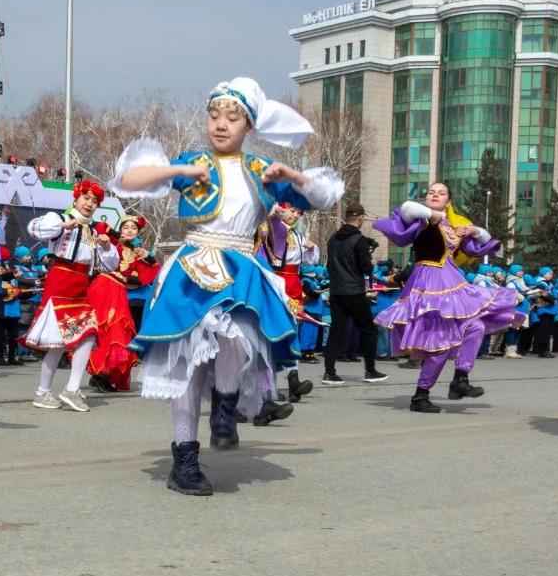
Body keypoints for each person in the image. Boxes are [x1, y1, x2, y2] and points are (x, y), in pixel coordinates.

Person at [110, 77, 342, 496]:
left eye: (232, 118)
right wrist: (179, 169)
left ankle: (225, 404)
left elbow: (325, 196)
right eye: (214, 115)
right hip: (193, 265)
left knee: (236, 339)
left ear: (248, 127)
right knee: (189, 369)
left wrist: (291, 173)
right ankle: (185, 459)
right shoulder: (194, 162)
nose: (220, 124)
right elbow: (128, 179)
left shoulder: (261, 171)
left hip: (239, 270)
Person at [371, 183, 519, 412]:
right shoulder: (422, 220)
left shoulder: (452, 227)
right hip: (428, 283)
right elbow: (408, 207)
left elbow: (487, 241)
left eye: (441, 193)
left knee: (476, 326)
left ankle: (460, 379)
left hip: (453, 283)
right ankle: (420, 396)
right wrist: (434, 215)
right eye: (431, 192)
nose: (435, 195)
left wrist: (473, 231)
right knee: (439, 344)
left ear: (448, 201)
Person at [23, 180, 117, 411]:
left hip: (80, 285)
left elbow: (108, 266)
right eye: (86, 198)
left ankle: (55, 392)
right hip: (61, 280)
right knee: (68, 339)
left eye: (94, 201)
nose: (90, 203)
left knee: (78, 337)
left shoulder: (93, 231)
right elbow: (34, 229)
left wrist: (105, 247)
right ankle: (57, 391)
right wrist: (62, 225)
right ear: (75, 199)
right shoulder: (59, 219)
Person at [254, 202, 318, 408]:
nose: (295, 215)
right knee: (272, 334)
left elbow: (308, 262)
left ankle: (293, 381)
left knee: (292, 332)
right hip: (275, 282)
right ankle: (268, 387)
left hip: (293, 285)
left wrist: (311, 248)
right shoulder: (267, 230)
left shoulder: (298, 236)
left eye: (298, 213)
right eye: (292, 210)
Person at [87, 214, 155, 393]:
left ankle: (106, 375)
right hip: (103, 287)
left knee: (120, 333)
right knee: (103, 328)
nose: (130, 230)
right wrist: (116, 236)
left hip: (119, 291)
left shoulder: (136, 252)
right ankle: (98, 373)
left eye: (134, 228)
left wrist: (149, 257)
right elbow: (98, 225)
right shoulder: (112, 242)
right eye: (126, 227)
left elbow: (150, 275)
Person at [322, 202, 388, 386]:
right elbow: (366, 267)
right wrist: (368, 253)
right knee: (368, 329)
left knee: (336, 330)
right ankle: (370, 370)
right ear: (361, 218)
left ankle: (329, 373)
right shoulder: (359, 240)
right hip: (353, 291)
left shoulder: (333, 239)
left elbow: (332, 265)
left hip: (336, 291)